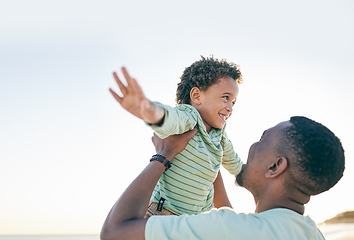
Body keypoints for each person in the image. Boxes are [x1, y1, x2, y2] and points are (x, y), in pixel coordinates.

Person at [100, 116, 345, 240]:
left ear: (275, 166)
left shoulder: (231, 229)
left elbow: (114, 232)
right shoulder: (312, 233)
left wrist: (164, 155)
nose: (252, 146)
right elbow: (233, 223)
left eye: (262, 139)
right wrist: (209, 157)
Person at [109, 56, 243, 216]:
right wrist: (149, 110)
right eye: (226, 98)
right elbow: (170, 118)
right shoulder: (189, 117)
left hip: (193, 219)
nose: (230, 107)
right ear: (196, 96)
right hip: (162, 213)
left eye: (233, 102)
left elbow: (236, 165)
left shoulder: (219, 137)